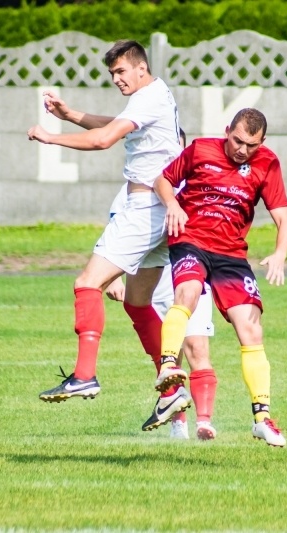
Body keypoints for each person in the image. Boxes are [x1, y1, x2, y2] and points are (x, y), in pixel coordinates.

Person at [27, 40, 191, 429]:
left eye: (121, 72)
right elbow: (113, 126)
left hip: (144, 211)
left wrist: (52, 137)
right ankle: (171, 391)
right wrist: (71, 115)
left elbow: (104, 140)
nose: (117, 79)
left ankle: (84, 376)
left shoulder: (148, 97)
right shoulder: (154, 94)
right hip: (161, 212)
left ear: (140, 68)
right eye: (112, 74)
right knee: (137, 303)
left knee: (87, 283)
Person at [153, 108, 287, 447]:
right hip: (191, 240)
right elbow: (163, 180)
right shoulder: (200, 149)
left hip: (231, 254)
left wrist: (279, 254)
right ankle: (169, 365)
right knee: (186, 293)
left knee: (251, 327)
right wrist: (172, 204)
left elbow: (283, 219)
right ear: (226, 130)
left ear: (263, 142)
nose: (243, 150)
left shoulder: (268, 164)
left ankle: (262, 417)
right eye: (238, 141)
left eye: (252, 145)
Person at [105, 131, 218, 440]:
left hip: (192, 276)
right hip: (155, 282)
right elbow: (117, 232)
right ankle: (177, 423)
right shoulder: (137, 186)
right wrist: (114, 276)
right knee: (169, 358)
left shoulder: (196, 181)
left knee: (197, 347)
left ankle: (204, 422)